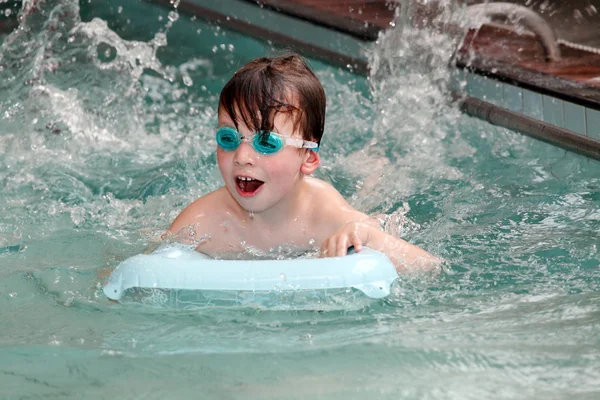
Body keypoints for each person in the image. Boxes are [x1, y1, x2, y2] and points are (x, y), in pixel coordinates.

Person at [165, 54, 439, 272]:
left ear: (308, 158)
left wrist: (369, 237)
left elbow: (430, 267)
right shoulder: (201, 222)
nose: (242, 157)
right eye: (229, 138)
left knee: (369, 202)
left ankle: (373, 167)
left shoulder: (325, 215)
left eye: (266, 142)